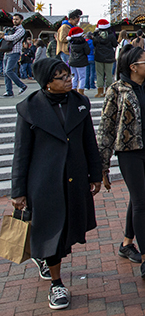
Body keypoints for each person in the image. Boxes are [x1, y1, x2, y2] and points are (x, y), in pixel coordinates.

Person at [11, 58, 103, 310]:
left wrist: (96, 174)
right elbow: (21, 152)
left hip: (73, 177)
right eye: (62, 77)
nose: (69, 80)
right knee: (52, 231)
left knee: (66, 231)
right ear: (47, 83)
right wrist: (17, 191)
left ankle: (43, 258)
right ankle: (57, 284)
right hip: (43, 182)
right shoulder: (29, 109)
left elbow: (89, 142)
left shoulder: (80, 103)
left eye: (68, 75)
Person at [98, 45, 145, 280]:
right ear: (133, 67)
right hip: (128, 151)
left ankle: (126, 244)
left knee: (138, 195)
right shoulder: (117, 90)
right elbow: (106, 128)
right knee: (141, 201)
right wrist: (103, 164)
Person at [4, 13, 29, 97]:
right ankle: (9, 91)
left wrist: (4, 36)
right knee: (5, 72)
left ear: (21, 20)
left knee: (8, 71)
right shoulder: (11, 29)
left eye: (16, 19)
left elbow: (13, 37)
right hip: (7, 52)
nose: (14, 21)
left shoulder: (21, 30)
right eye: (13, 19)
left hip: (14, 52)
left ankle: (22, 85)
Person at [93, 19, 117, 98]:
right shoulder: (111, 35)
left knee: (100, 74)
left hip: (99, 57)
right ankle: (108, 91)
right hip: (109, 57)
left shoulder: (96, 36)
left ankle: (99, 92)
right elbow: (115, 44)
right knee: (109, 74)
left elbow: (94, 44)